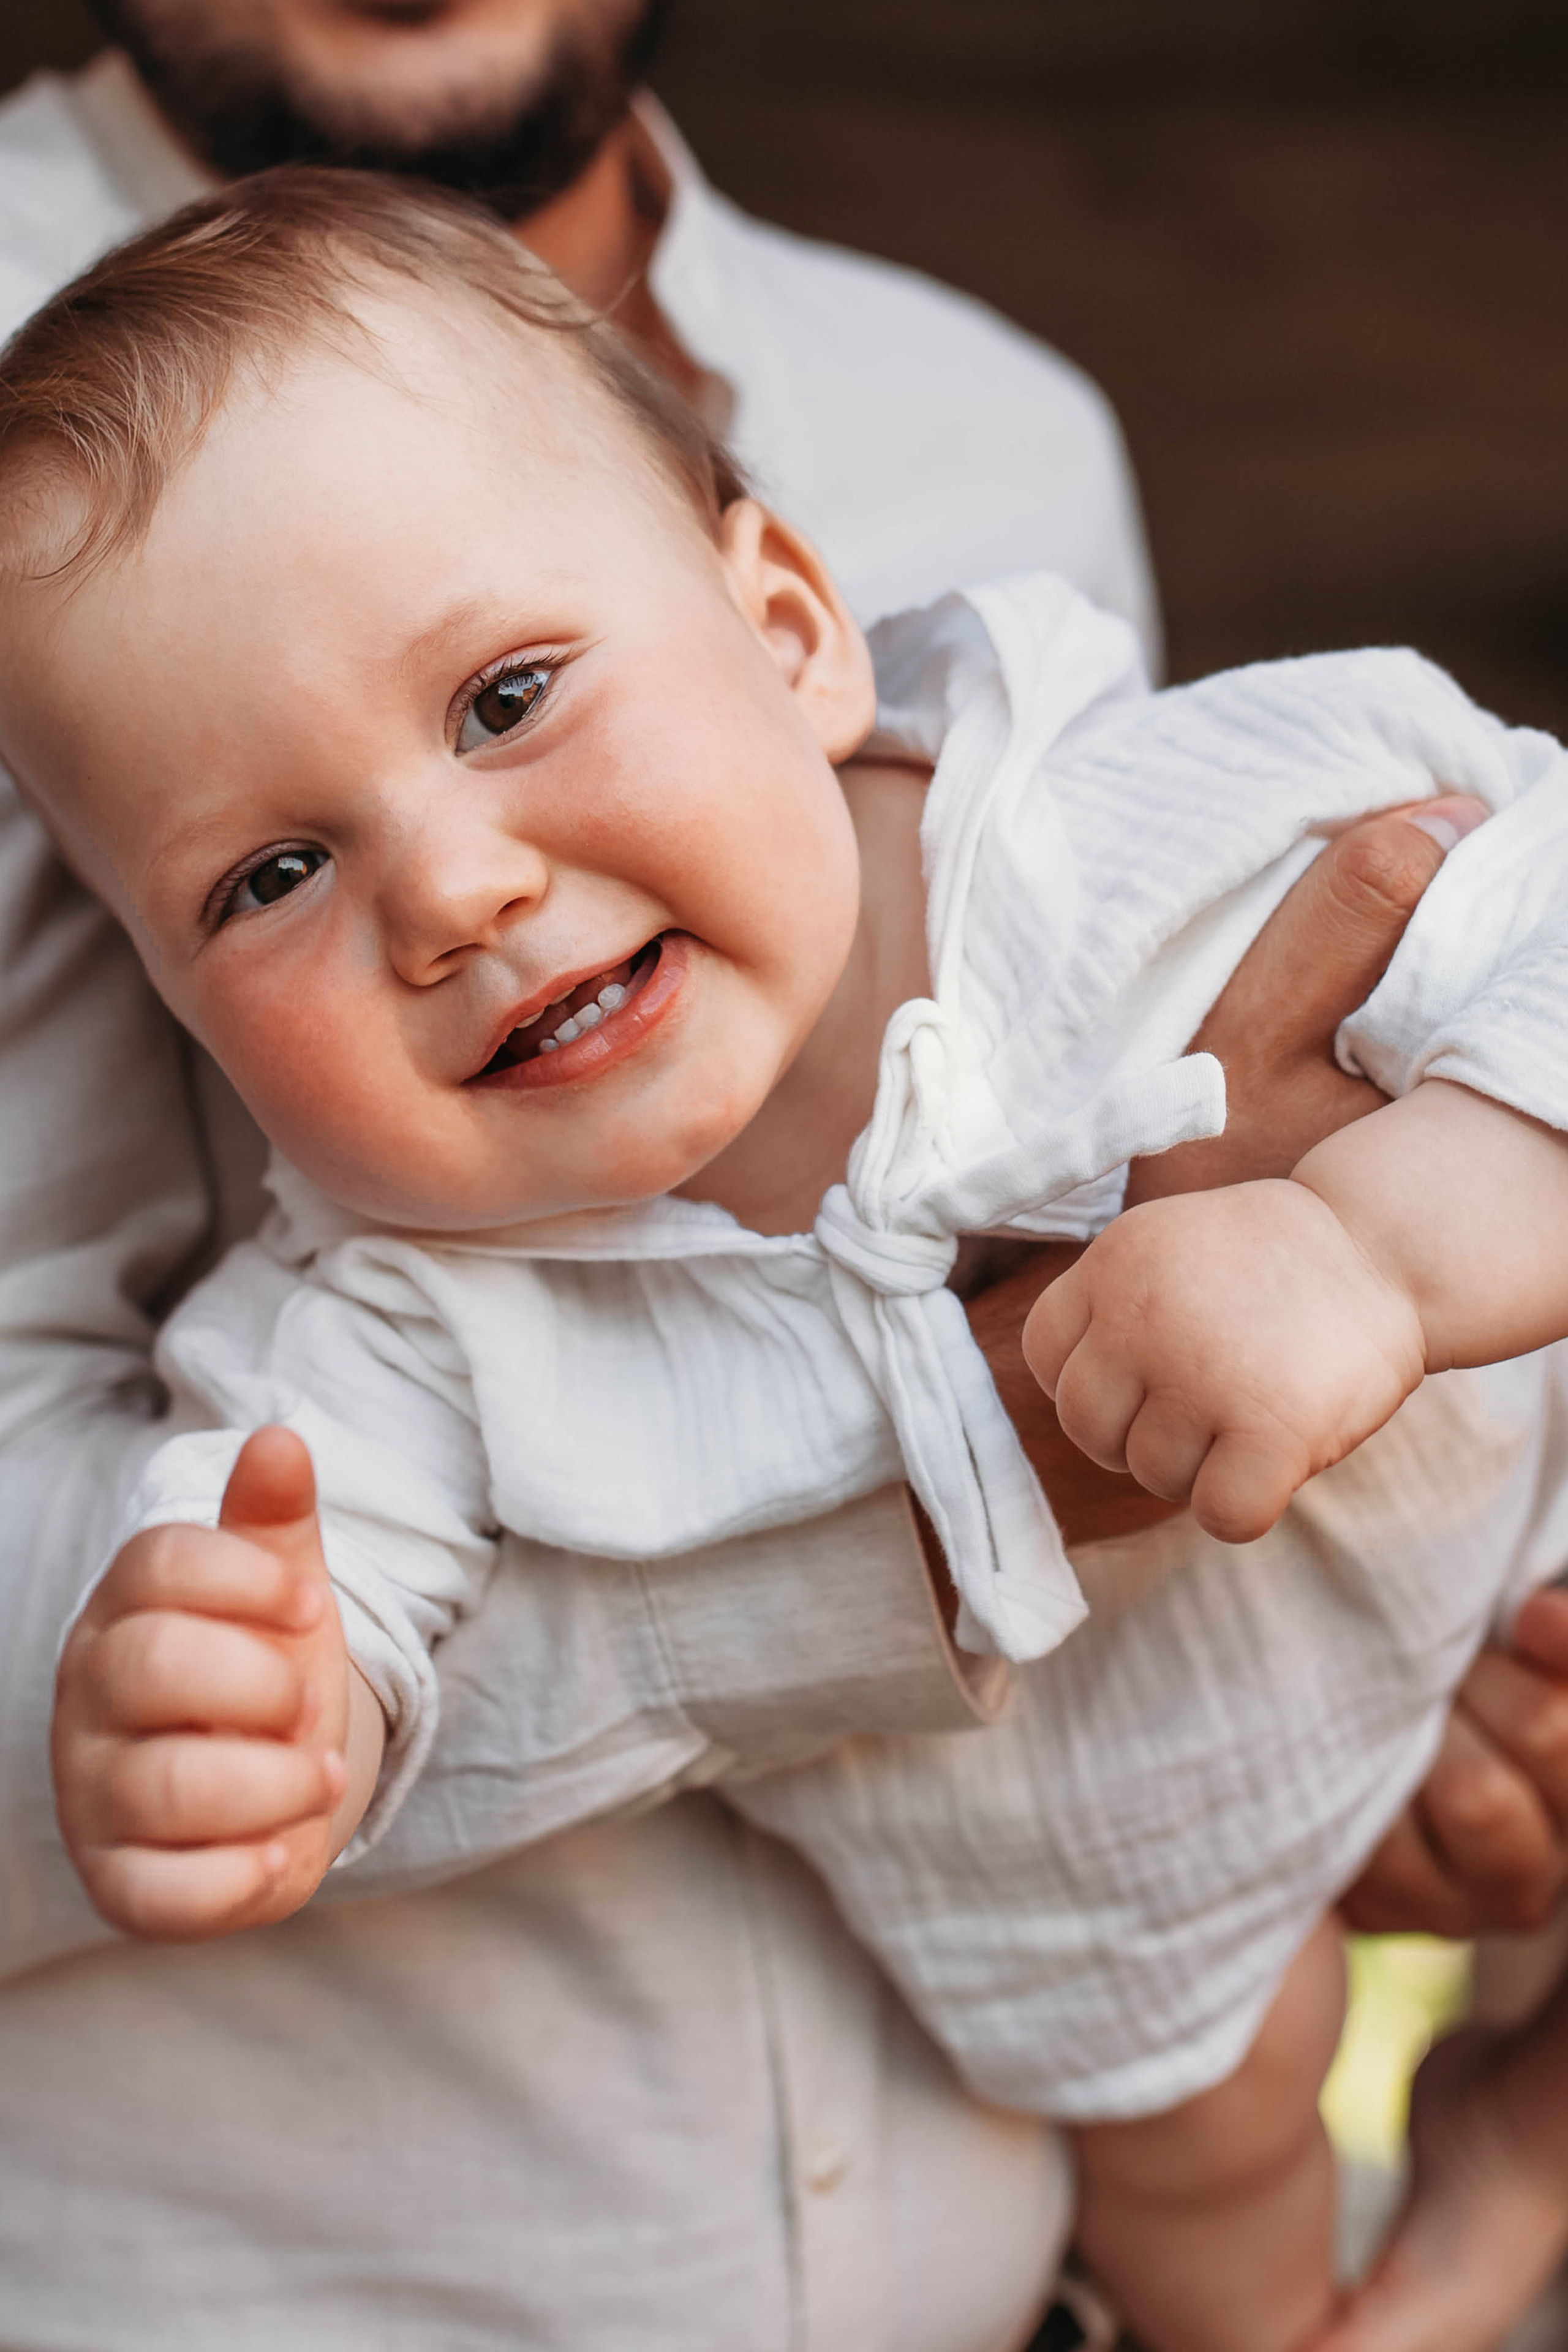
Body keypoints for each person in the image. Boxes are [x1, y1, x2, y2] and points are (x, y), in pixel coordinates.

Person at [0, 6, 1565, 2345]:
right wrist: (239, 1698)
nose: (450, 896)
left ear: (794, 627)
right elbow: (308, 1557)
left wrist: (1377, 1259)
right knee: (1217, 2134)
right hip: (542, 2221)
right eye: (271, 876)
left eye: (512, 700)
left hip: (1401, 1584)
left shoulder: (1043, 608)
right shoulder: (404, 1312)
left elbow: (1502, 934)